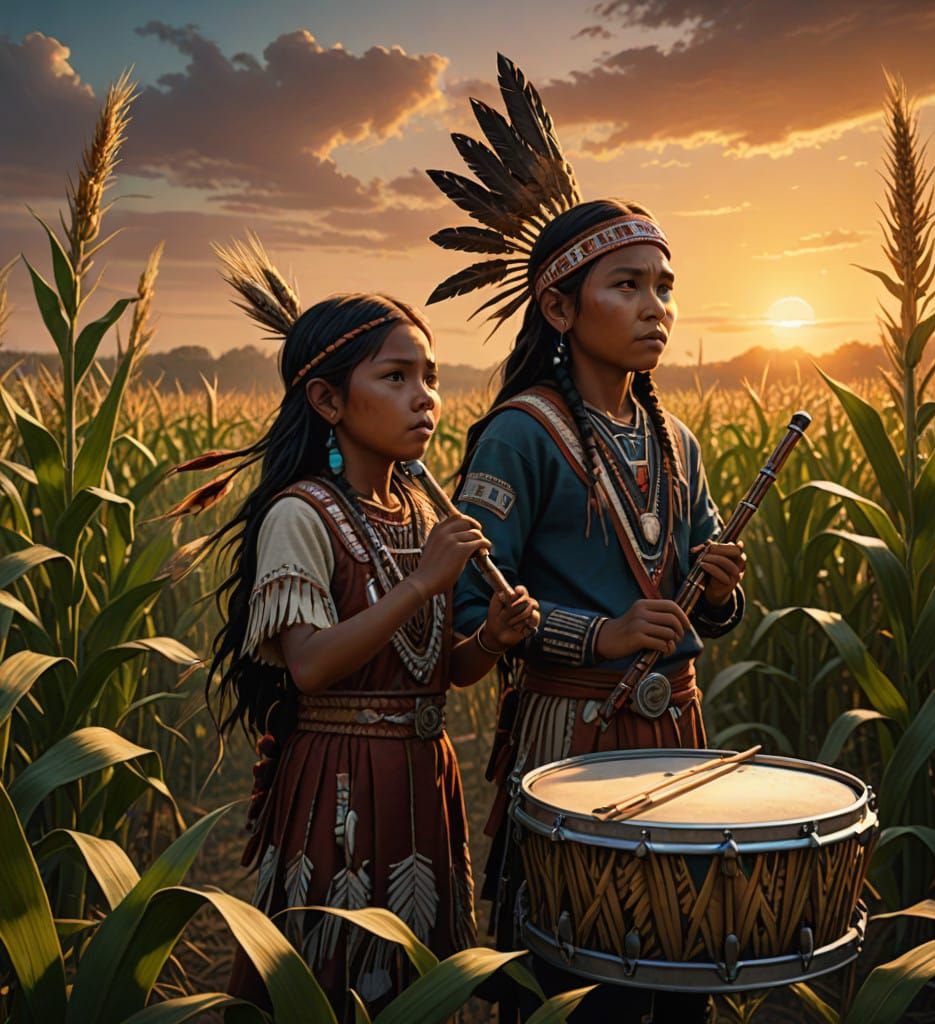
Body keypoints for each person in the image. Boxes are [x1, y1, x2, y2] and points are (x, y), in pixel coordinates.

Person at [424, 56, 746, 1023]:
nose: (657, 307)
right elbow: (476, 600)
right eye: (629, 286)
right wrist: (597, 636)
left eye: (665, 286)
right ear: (560, 309)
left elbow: (709, 610)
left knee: (683, 964)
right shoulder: (518, 435)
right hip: (571, 730)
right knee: (579, 980)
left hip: (675, 730)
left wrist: (719, 589)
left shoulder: (677, 440)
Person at [186, 237, 539, 1018]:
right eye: (396, 376)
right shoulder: (299, 514)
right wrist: (423, 583)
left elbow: (435, 668)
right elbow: (310, 666)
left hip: (422, 773)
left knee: (418, 983)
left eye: (430, 378)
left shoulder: (420, 510)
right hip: (339, 778)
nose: (425, 399)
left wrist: (491, 640)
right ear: (327, 401)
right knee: (332, 982)